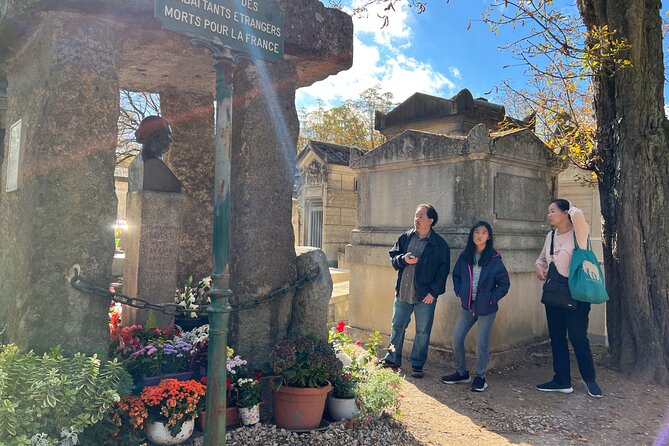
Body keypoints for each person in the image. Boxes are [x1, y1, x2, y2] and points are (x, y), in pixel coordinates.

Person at [534, 199, 603, 398]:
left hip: (577, 295)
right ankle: (561, 380)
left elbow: (579, 216)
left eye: (553, 210)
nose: (549, 215)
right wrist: (539, 267)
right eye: (548, 211)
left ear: (565, 213)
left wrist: (570, 206)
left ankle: (590, 379)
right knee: (556, 338)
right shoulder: (551, 236)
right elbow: (541, 258)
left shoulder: (579, 234)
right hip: (554, 293)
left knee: (578, 337)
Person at [380, 204, 451, 378]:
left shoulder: (439, 245)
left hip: (425, 296)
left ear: (431, 220)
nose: (416, 219)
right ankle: (392, 359)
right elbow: (393, 258)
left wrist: (433, 293)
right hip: (403, 293)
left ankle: (417, 365)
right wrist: (403, 259)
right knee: (397, 327)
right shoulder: (405, 237)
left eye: (420, 216)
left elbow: (443, 272)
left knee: (422, 331)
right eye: (415, 216)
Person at [441, 221, 510, 392]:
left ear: (489, 237)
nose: (479, 235)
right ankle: (462, 373)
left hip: (486, 309)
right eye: (476, 232)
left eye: (483, 232)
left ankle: (480, 376)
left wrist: (490, 299)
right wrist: (459, 292)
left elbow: (504, 284)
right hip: (467, 307)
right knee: (457, 339)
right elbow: (456, 276)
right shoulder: (465, 257)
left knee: (481, 342)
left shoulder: (494, 259)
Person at [128, 115, 182, 193]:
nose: (171, 140)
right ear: (156, 135)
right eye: (169, 134)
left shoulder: (138, 162)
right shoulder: (152, 164)